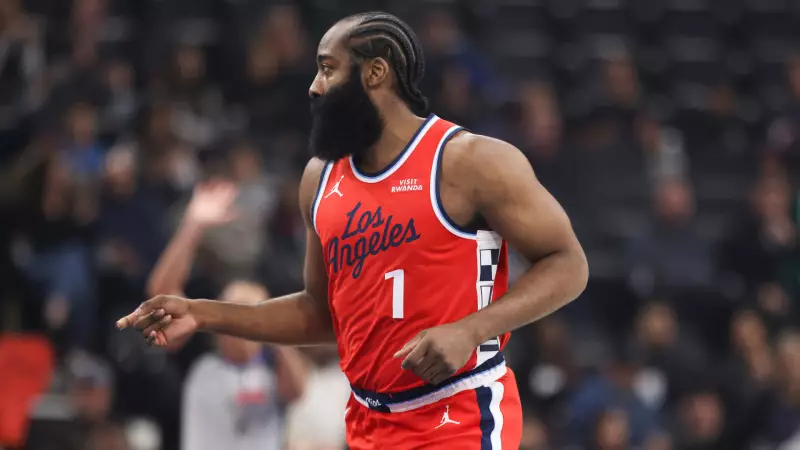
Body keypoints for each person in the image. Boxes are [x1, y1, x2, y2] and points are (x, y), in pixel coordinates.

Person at [117, 11, 588, 449]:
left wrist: (471, 330)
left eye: (327, 68)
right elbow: (319, 314)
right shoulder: (319, 179)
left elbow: (568, 264)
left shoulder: (468, 160)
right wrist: (202, 313)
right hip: (367, 419)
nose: (314, 87)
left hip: (458, 410)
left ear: (375, 73)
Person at [146, 181, 308, 450]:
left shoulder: (272, 366)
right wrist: (193, 226)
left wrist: (273, 333)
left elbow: (298, 391)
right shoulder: (199, 358)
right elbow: (160, 295)